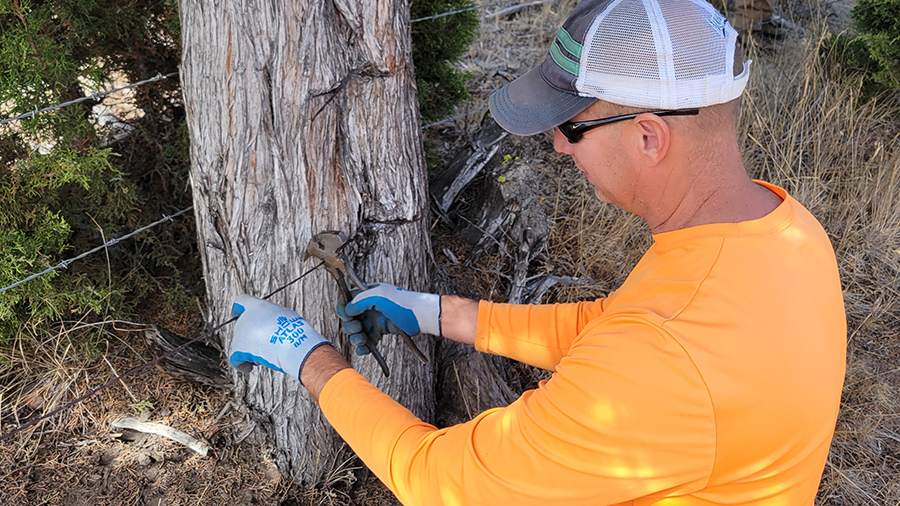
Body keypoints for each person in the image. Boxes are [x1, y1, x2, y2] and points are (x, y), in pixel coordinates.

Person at [229, 0, 846, 504]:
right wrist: (433, 312)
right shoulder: (780, 231)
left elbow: (441, 480)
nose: (557, 145)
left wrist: (308, 358)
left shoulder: (661, 366)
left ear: (649, 136)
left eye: (573, 124)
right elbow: (614, 326)